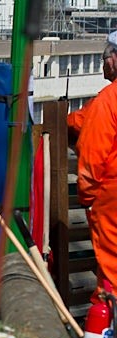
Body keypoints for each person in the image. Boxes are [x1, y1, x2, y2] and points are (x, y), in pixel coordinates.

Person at [75, 34, 117, 293]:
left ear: (113, 59)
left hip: (112, 201)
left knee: (112, 280)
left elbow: (92, 158)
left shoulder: (107, 101)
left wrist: (88, 198)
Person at [68, 32, 117, 148]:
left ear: (111, 62)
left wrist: (60, 121)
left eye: (103, 60)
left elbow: (78, 122)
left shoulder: (108, 99)